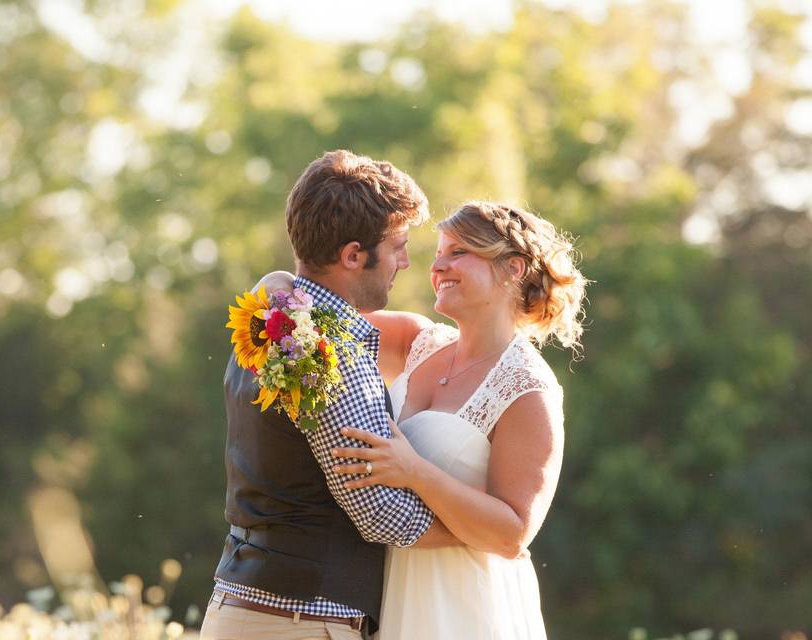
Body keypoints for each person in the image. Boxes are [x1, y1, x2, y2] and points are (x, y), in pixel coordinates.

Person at [200, 150, 460, 640]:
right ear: (353, 255)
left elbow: (279, 281)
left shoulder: (267, 319)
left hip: (244, 607)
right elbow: (381, 514)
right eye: (398, 246)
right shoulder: (329, 358)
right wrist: (477, 535)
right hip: (301, 621)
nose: (405, 262)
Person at [327, 201, 588, 639]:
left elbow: (512, 533)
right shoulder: (416, 341)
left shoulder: (528, 388)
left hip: (466, 608)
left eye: (458, 253)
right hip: (393, 594)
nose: (437, 266)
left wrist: (414, 472)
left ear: (513, 269)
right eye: (438, 254)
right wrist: (276, 284)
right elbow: (319, 319)